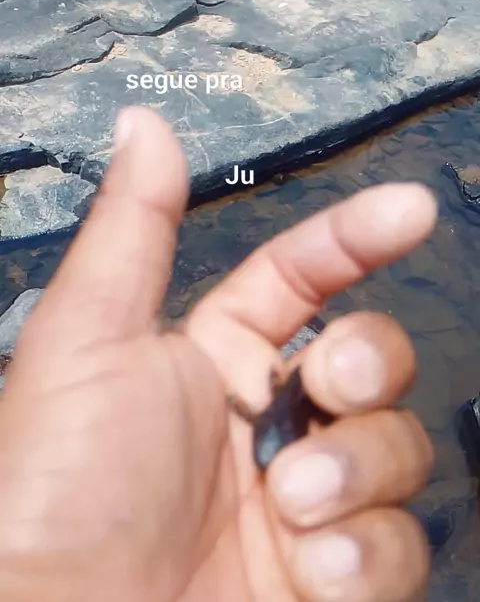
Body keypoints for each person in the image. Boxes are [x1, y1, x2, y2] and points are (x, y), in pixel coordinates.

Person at [0, 106, 437, 602]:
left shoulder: (285, 396)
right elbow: (271, 401)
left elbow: (267, 403)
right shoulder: (287, 396)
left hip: (272, 450)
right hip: (273, 446)